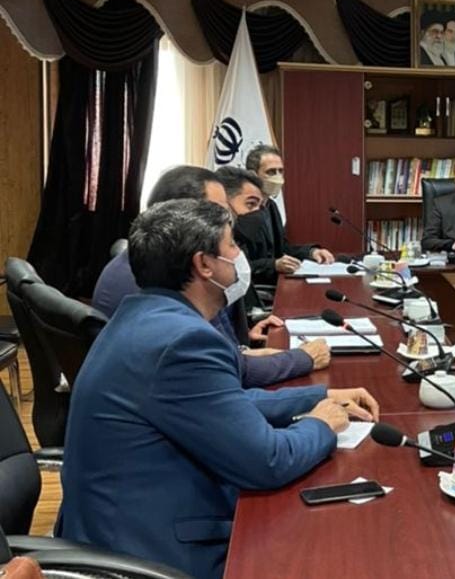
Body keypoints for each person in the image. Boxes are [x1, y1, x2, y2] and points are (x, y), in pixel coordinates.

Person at [58, 199, 380, 579]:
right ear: (204, 264)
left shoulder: (144, 316)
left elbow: (223, 404)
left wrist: (317, 396)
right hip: (152, 556)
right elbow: (268, 461)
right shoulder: (182, 342)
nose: (241, 255)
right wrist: (322, 424)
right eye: (233, 245)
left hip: (121, 528)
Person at [92, 166, 328, 387]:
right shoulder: (159, 276)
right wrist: (303, 360)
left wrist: (240, 349)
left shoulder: (161, 259)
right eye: (217, 210)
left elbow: (221, 355)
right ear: (182, 214)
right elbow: (222, 371)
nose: (229, 219)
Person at [235, 146, 334, 284]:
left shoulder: (271, 206)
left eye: (280, 171)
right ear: (252, 175)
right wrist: (274, 265)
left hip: (277, 282)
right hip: (256, 287)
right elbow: (238, 266)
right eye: (271, 172)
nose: (278, 177)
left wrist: (311, 252)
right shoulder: (242, 212)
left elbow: (282, 248)